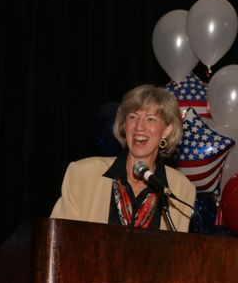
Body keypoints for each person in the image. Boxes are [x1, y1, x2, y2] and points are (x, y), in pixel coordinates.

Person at [50, 84, 196, 231]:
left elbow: (179, 250)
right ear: (124, 125)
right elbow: (58, 238)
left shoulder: (181, 190)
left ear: (166, 130)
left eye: (151, 119)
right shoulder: (83, 173)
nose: (139, 126)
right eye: (133, 117)